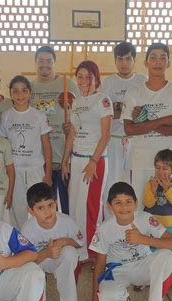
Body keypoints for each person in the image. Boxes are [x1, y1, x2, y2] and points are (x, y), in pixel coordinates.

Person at [78, 182, 172, 301]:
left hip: (144, 265)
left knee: (167, 255)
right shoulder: (104, 229)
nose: (124, 207)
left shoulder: (146, 218)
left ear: (136, 203)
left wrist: (143, 239)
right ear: (109, 206)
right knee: (108, 300)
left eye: (128, 202)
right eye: (118, 202)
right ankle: (124, 299)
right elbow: (99, 266)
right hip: (118, 270)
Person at [122, 42, 172, 209]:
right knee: (141, 208)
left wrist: (144, 124)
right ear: (146, 62)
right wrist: (163, 120)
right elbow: (129, 129)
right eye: (153, 58)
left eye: (163, 58)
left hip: (169, 165)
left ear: (168, 63)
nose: (158, 62)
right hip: (142, 161)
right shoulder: (135, 92)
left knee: (169, 211)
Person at [62, 60, 113, 261]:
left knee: (92, 207)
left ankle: (94, 252)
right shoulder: (77, 102)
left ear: (96, 79)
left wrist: (93, 161)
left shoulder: (102, 100)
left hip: (94, 161)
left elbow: (106, 135)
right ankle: (79, 247)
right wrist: (66, 160)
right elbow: (72, 133)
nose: (83, 81)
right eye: (80, 77)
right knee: (75, 206)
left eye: (88, 77)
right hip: (77, 160)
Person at [21, 182, 84, 301]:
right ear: (31, 211)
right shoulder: (27, 229)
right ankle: (39, 288)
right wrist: (46, 253)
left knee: (70, 252)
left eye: (50, 205)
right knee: (29, 268)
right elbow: (24, 260)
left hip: (58, 260)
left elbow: (79, 243)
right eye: (40, 208)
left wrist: (63, 241)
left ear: (56, 203)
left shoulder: (66, 221)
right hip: (38, 261)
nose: (47, 211)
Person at [31, 46, 80, 215]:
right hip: (40, 162)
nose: (45, 64)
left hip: (64, 158)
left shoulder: (68, 85)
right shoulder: (29, 89)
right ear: (35, 63)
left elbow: (83, 115)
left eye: (48, 61)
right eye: (41, 61)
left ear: (54, 63)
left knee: (69, 207)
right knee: (45, 208)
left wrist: (73, 128)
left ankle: (70, 238)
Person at [100, 42, 147, 220]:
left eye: (128, 59)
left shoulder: (142, 80)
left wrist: (121, 108)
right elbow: (106, 111)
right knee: (110, 182)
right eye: (120, 59)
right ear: (115, 61)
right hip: (113, 139)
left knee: (135, 182)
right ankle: (110, 224)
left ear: (134, 60)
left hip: (136, 139)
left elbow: (143, 111)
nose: (124, 63)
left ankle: (136, 223)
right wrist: (127, 110)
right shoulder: (109, 82)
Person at [0, 75, 52, 229]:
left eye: (23, 91)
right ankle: (21, 243)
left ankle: (40, 242)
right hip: (16, 172)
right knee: (18, 210)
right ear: (11, 94)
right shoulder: (5, 117)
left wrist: (47, 173)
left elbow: (46, 146)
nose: (19, 95)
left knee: (40, 208)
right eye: (15, 91)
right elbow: (2, 147)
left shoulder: (39, 116)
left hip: (36, 170)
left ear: (30, 93)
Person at [143, 149, 172, 291]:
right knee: (152, 250)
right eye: (158, 168)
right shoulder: (151, 183)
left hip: (171, 225)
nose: (161, 172)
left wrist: (168, 189)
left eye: (165, 168)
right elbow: (148, 203)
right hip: (154, 226)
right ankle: (147, 277)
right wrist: (154, 191)